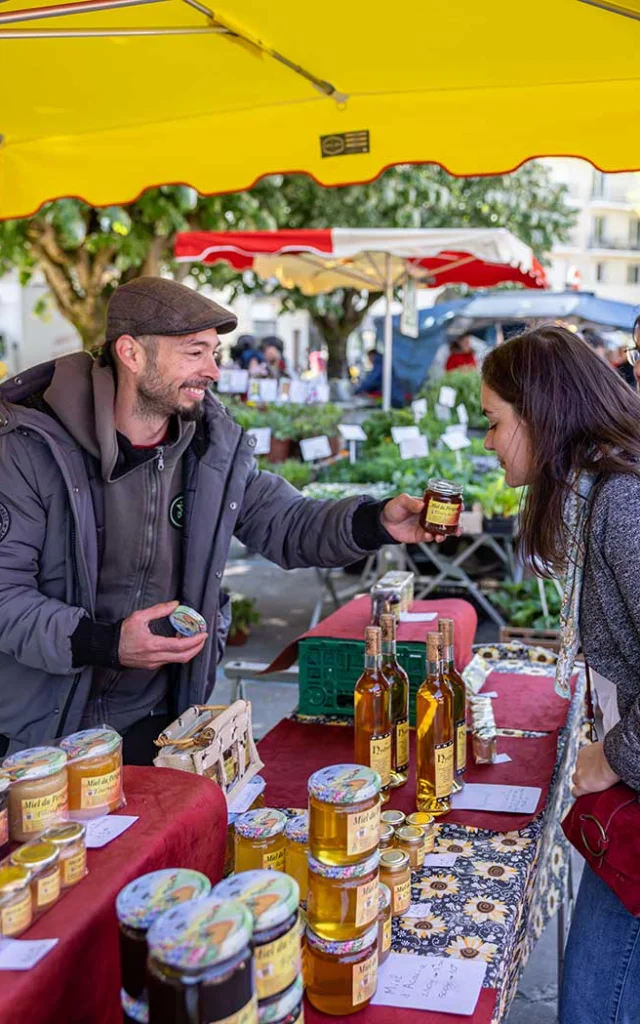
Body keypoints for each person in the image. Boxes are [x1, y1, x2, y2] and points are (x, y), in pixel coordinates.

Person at [0, 277, 447, 765]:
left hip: (159, 724)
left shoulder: (212, 448)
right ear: (131, 353)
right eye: (195, 353)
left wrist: (377, 522)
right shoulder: (28, 448)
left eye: (215, 352)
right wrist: (106, 643)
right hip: (44, 733)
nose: (213, 370)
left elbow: (288, 523)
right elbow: (5, 597)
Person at [481, 323, 640, 1024]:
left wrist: (615, 756)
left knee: (593, 1007)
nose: (488, 442)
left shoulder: (621, 505)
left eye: (494, 423)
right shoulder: (596, 498)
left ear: (539, 417)